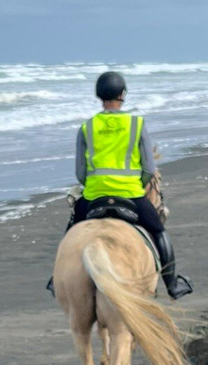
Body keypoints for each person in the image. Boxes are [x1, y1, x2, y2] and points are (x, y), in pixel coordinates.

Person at [48, 71, 192, 299]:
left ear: (99, 95)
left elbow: (80, 173)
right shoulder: (136, 124)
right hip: (131, 194)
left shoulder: (87, 127)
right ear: (123, 94)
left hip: (94, 196)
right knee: (158, 231)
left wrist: (95, 185)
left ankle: (56, 280)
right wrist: (137, 185)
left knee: (72, 231)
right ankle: (173, 284)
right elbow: (148, 169)